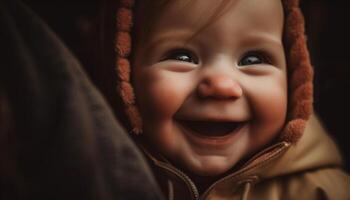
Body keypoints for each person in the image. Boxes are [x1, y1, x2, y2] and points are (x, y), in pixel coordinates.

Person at [115, 0, 350, 199]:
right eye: (182, 56)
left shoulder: (325, 192)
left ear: (295, 82)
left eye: (253, 59)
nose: (221, 86)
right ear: (125, 74)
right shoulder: (98, 179)